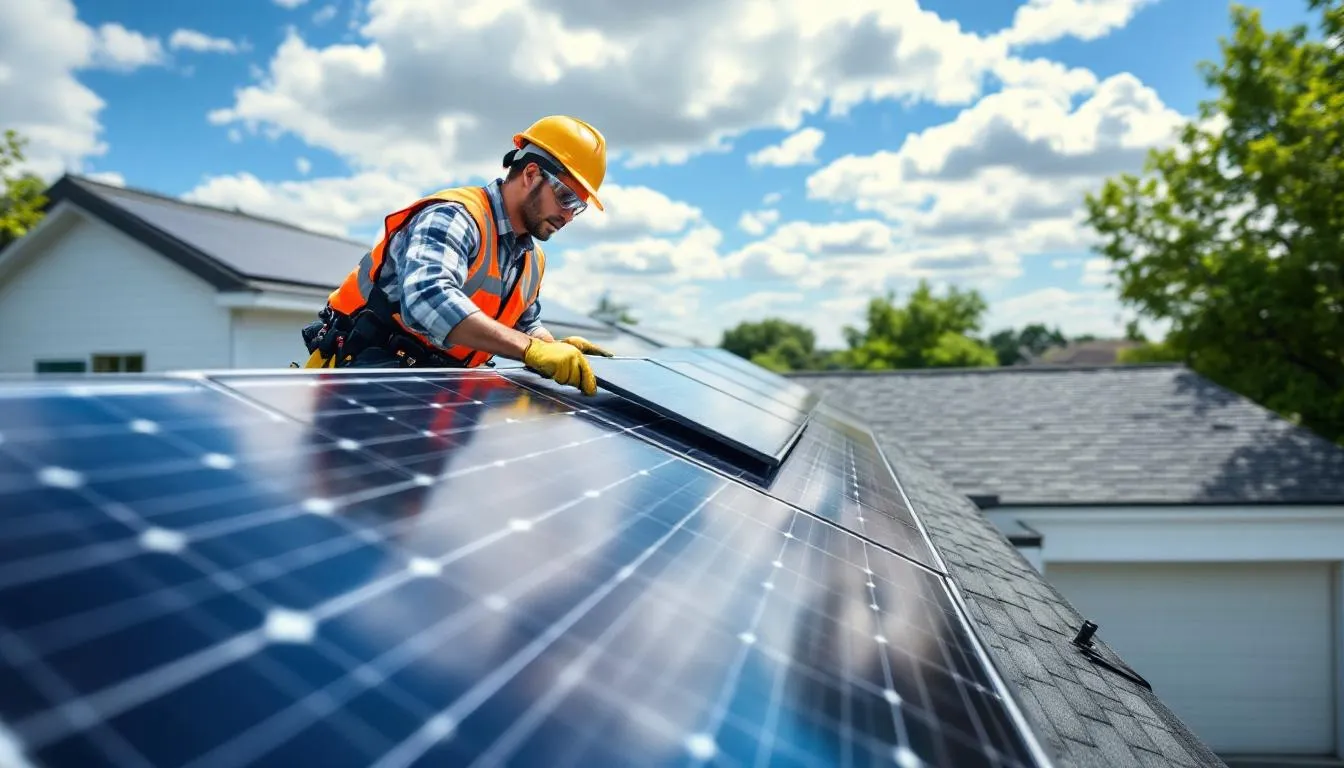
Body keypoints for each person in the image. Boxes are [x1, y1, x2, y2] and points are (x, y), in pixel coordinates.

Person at [298, 115, 614, 395]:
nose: (569, 216)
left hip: (434, 399)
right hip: (358, 387)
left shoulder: (533, 260)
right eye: (565, 198)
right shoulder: (456, 217)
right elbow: (428, 299)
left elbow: (523, 325)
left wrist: (552, 347)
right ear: (531, 174)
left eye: (578, 207)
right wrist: (531, 350)